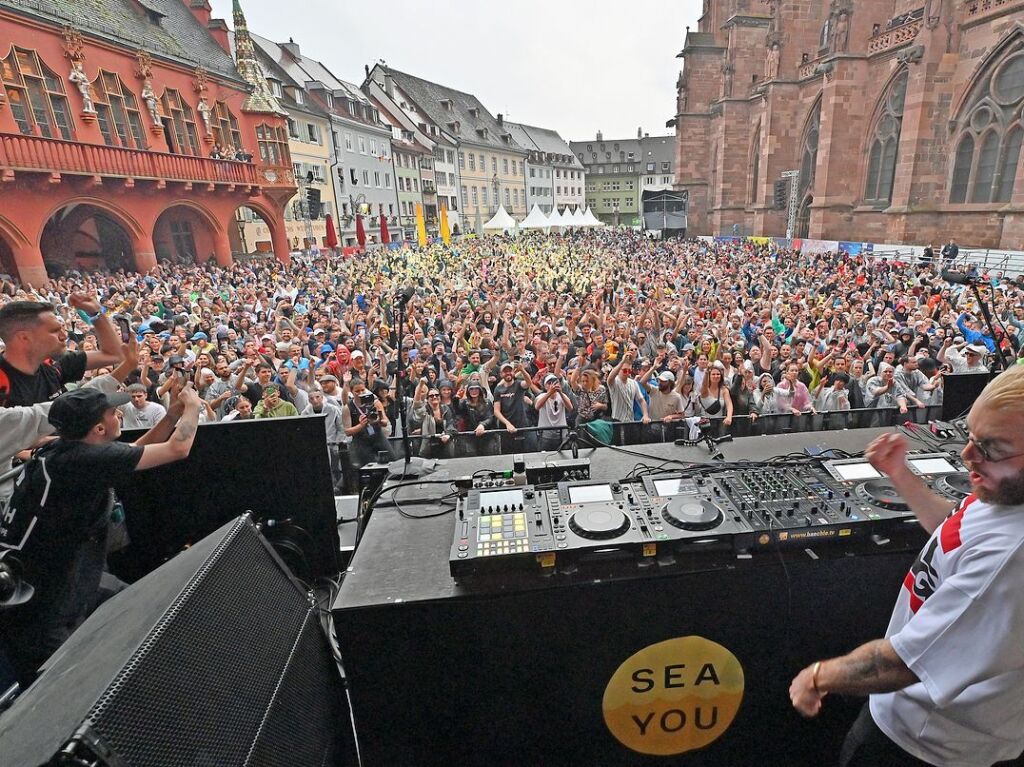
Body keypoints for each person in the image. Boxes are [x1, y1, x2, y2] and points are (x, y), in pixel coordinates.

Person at [790, 365, 1024, 767]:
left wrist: (815, 677)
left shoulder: (1012, 558)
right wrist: (901, 476)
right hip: (915, 724)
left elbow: (898, 663)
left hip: (927, 747)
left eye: (991, 447)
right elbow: (954, 535)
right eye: (970, 437)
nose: (968, 455)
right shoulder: (1005, 496)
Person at [0, 383, 202, 686]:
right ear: (98, 428)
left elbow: (135, 451)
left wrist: (171, 416)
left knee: (136, 605)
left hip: (66, 578)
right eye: (111, 412)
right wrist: (193, 406)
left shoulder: (66, 451)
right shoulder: (81, 462)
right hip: (44, 604)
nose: (119, 414)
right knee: (60, 691)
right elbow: (178, 448)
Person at [0, 297, 122, 408]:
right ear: (24, 338)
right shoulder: (3, 382)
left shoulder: (53, 364)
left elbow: (114, 354)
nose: (64, 336)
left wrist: (95, 314)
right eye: (55, 331)